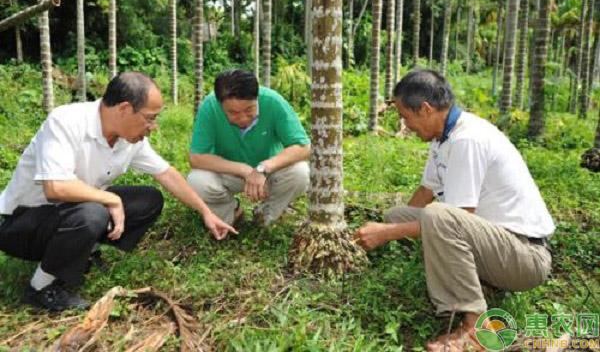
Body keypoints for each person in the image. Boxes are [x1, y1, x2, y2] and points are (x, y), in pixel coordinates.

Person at [0, 72, 237, 312]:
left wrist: (206, 212)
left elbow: (167, 174)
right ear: (124, 108)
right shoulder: (66, 121)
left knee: (148, 199)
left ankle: (83, 252)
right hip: (21, 224)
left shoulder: (129, 140)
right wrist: (110, 199)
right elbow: (55, 187)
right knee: (93, 212)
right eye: (150, 118)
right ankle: (40, 289)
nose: (152, 127)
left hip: (70, 214)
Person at [354, 69, 555, 352]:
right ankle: (470, 281)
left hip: (525, 256)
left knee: (438, 216)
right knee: (397, 215)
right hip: (497, 241)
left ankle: (475, 327)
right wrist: (387, 227)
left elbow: (454, 218)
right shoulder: (443, 138)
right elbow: (425, 192)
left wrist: (386, 234)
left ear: (425, 109)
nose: (405, 125)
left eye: (405, 116)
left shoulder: (467, 140)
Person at [187, 69, 310, 227]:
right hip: (229, 173)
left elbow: (303, 147)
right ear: (220, 103)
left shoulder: (273, 101)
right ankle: (231, 215)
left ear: (257, 98)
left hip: (270, 174)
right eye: (233, 113)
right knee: (197, 181)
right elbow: (197, 158)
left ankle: (267, 217)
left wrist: (263, 168)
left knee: (300, 172)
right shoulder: (210, 106)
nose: (242, 118)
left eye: (249, 110)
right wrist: (245, 170)